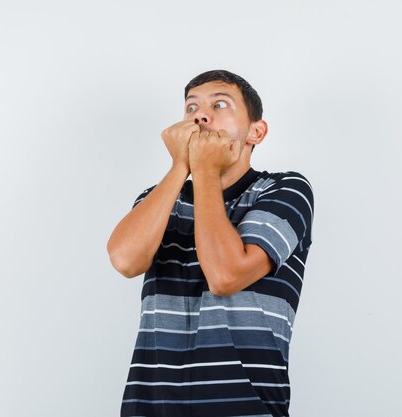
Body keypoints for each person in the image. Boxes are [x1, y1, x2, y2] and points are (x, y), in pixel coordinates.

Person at [106, 69, 315, 417]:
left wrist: (202, 170)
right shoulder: (160, 198)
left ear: (255, 132)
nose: (201, 115)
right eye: (191, 108)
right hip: (150, 405)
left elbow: (226, 275)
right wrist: (179, 167)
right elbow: (125, 260)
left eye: (219, 104)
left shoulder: (286, 190)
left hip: (243, 407)